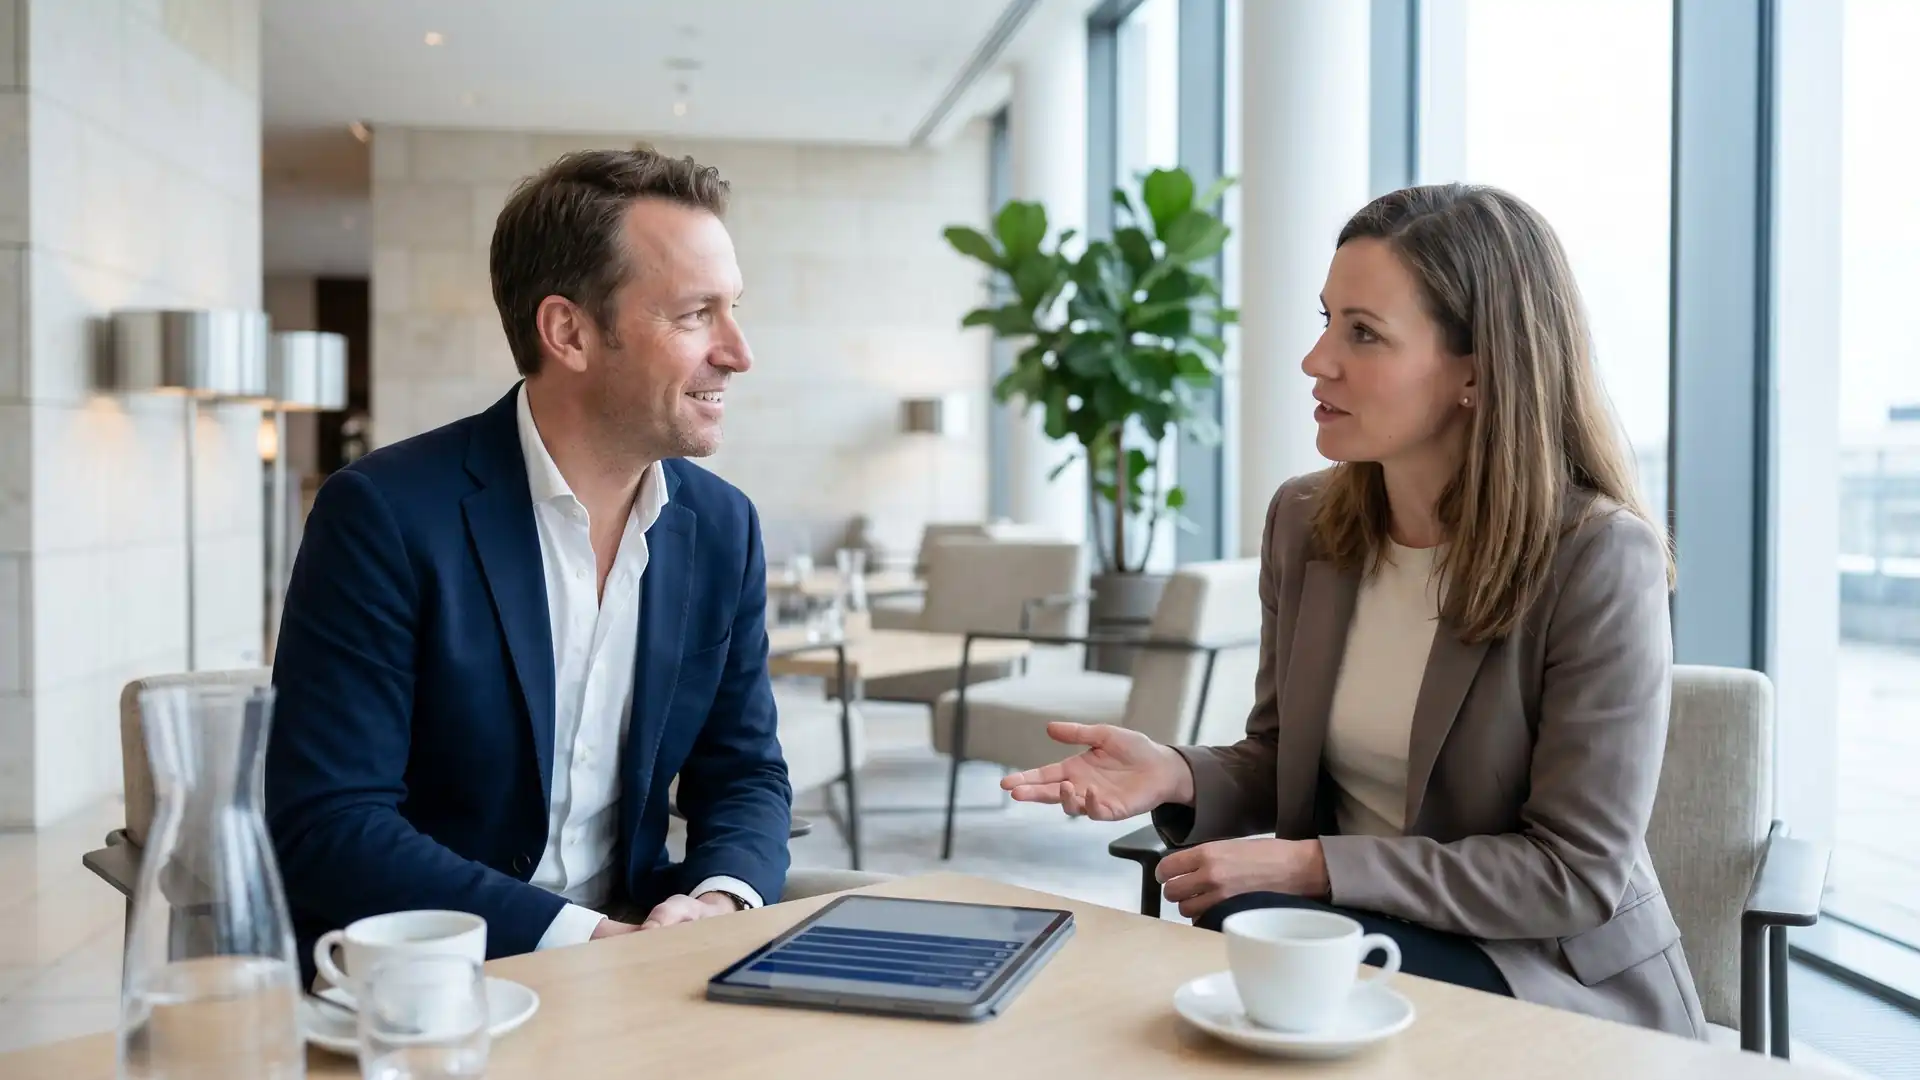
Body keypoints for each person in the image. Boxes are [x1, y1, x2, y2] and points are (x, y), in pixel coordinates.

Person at [1003, 184, 1706, 1039]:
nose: (1315, 360)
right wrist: (1178, 773)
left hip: (1537, 967)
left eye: (1362, 333)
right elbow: (1280, 759)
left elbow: (1570, 875)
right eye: (1327, 319)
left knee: (1252, 923)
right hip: (1353, 935)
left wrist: (1310, 867)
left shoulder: (1598, 557)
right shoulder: (1305, 522)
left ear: (1478, 370)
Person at [267, 147, 791, 986]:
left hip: (647, 966)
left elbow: (747, 772)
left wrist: (718, 903)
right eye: (696, 314)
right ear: (570, 332)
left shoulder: (723, 528)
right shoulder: (383, 514)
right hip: (428, 978)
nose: (738, 351)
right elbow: (330, 822)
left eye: (733, 309)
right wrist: (583, 939)